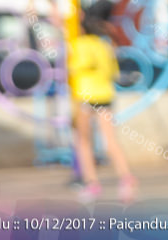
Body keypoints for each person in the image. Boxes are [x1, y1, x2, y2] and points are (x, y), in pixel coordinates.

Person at [67, 15, 137, 203]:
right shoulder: (105, 45)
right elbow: (113, 72)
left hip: (85, 96)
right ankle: (126, 178)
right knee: (110, 141)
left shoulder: (79, 44)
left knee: (83, 142)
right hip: (105, 95)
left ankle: (92, 184)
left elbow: (74, 67)